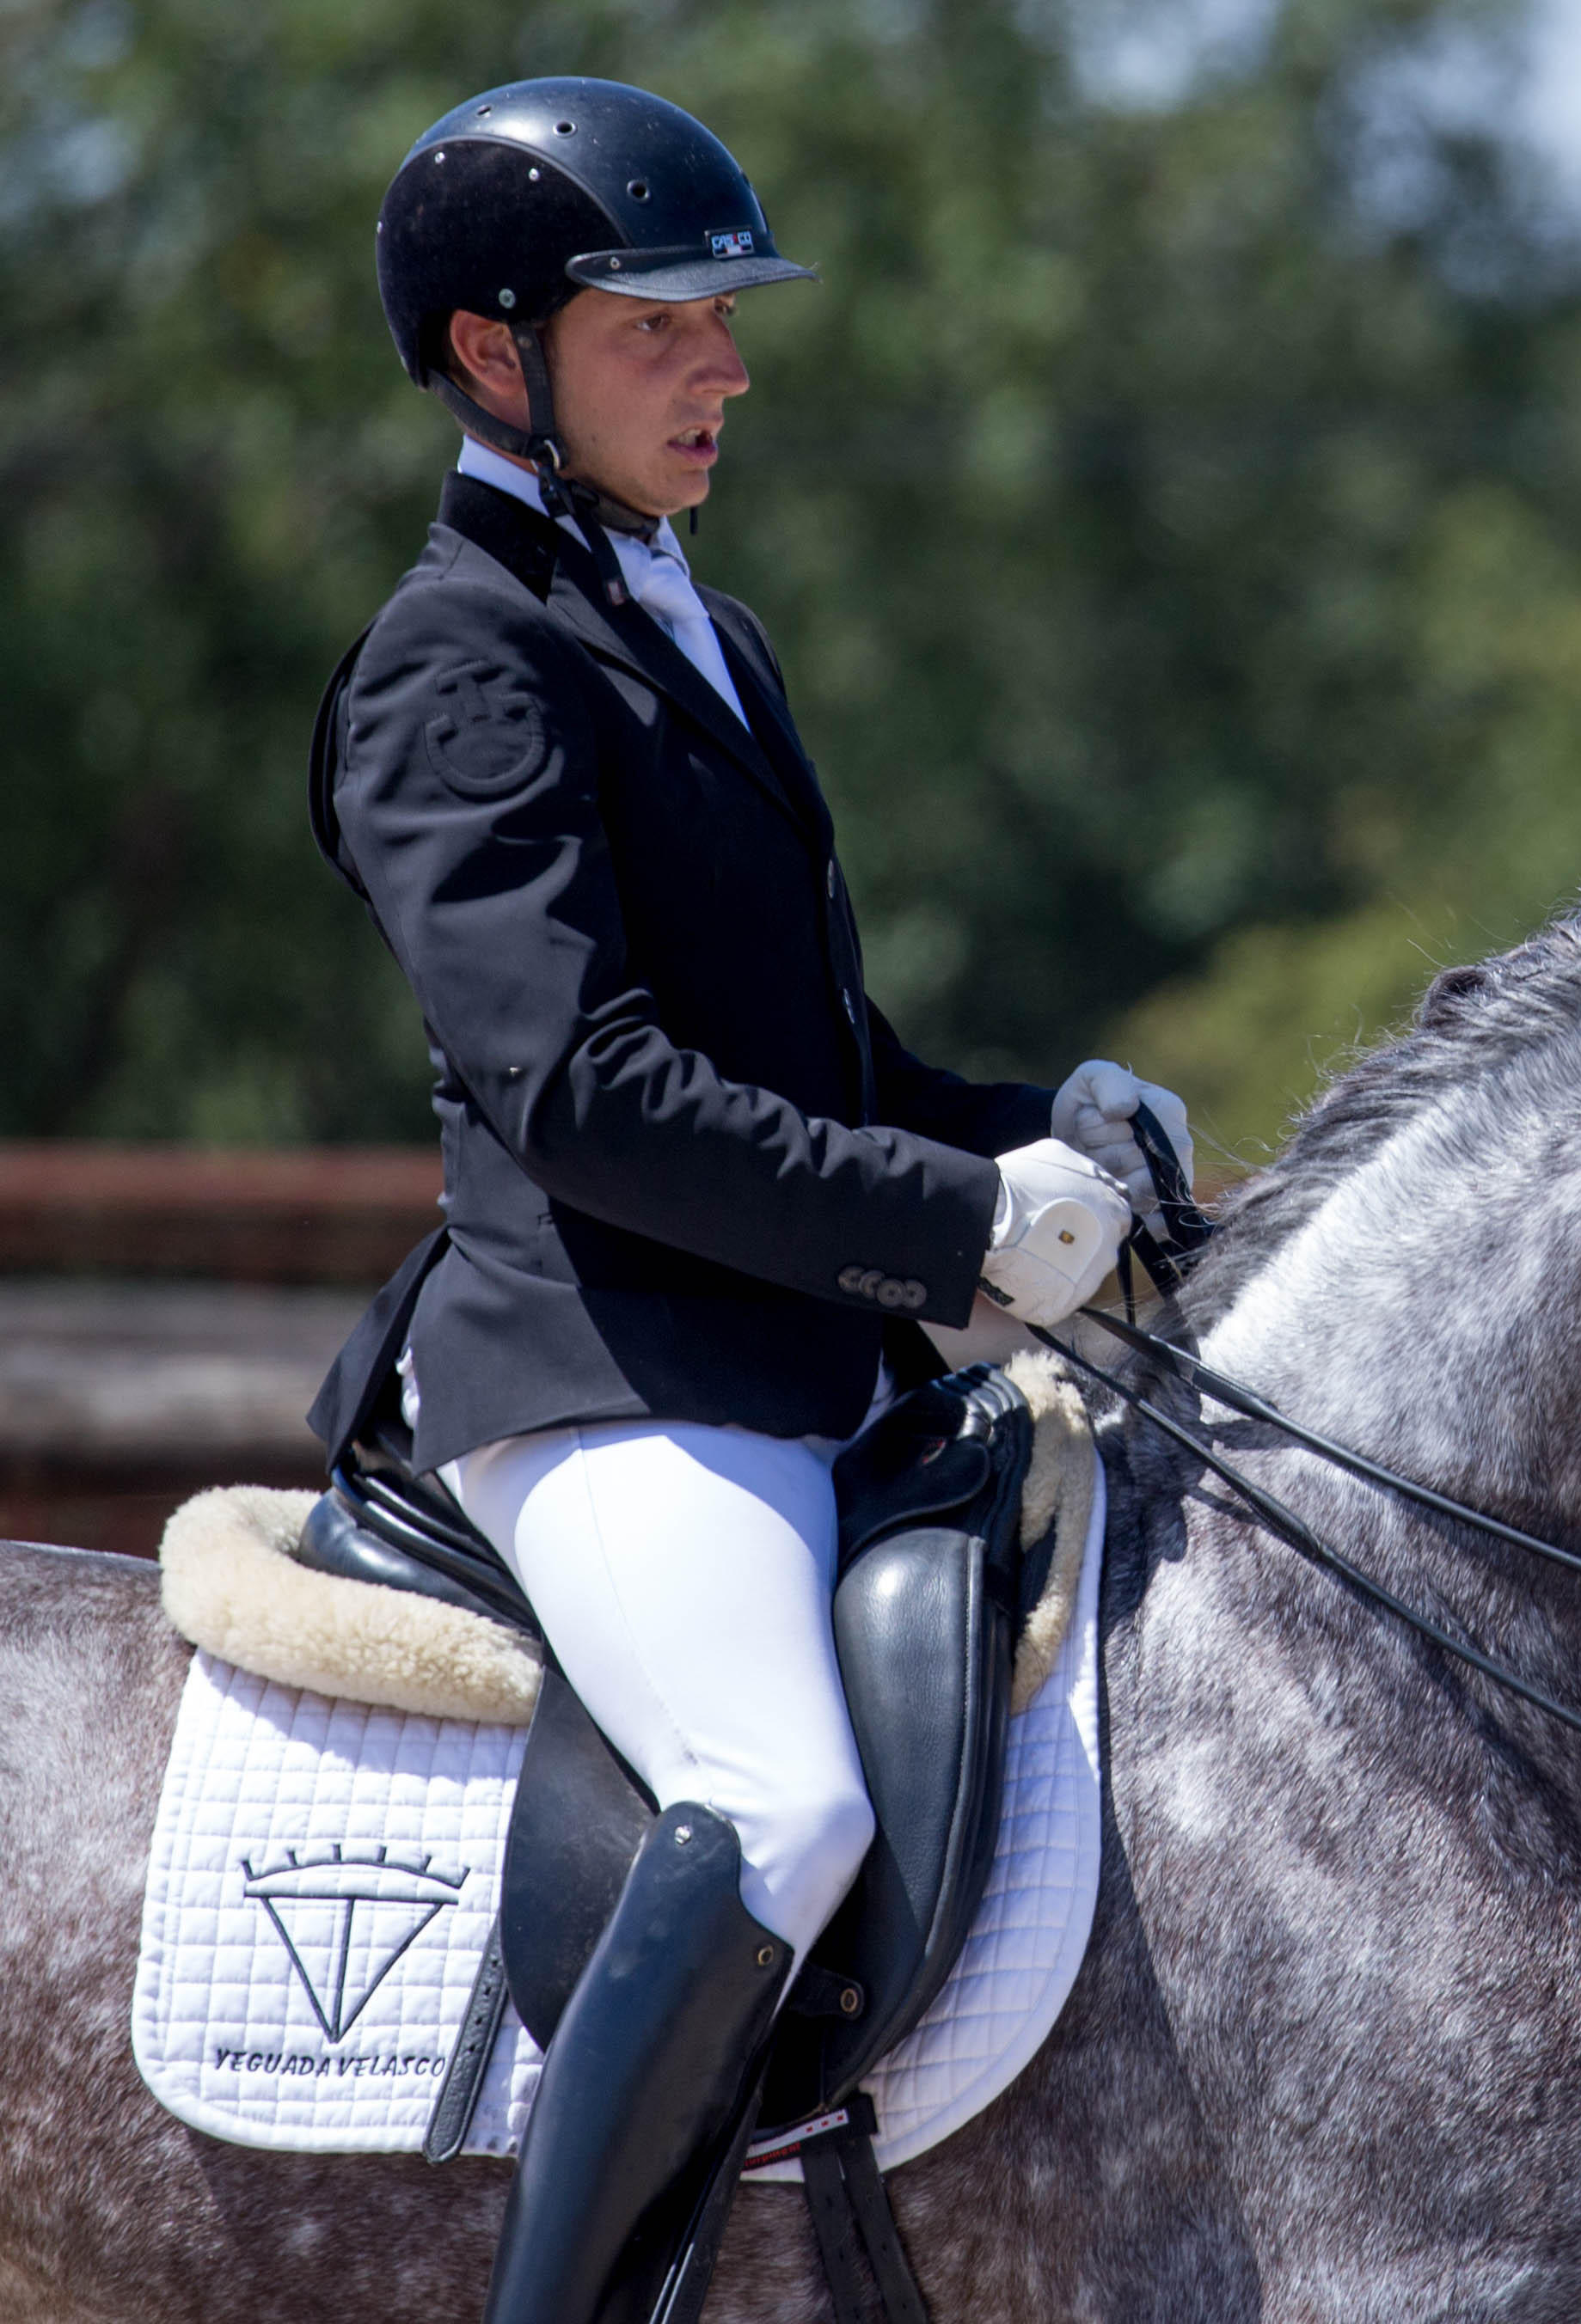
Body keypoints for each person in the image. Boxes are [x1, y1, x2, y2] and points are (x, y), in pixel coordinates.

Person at [307, 76, 1192, 2321]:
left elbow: (811, 1061)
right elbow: (587, 1095)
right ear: (498, 355)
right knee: (780, 1797)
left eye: (726, 317)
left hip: (788, 1362)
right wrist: (954, 1229)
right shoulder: (455, 659)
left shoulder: (702, 626)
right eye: (662, 324)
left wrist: (1033, 1129)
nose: (725, 362)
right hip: (603, 1370)